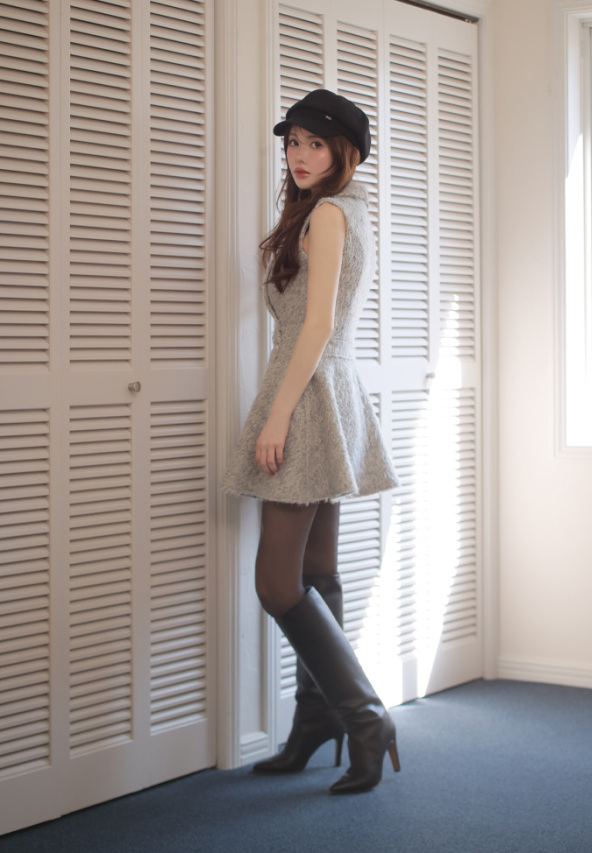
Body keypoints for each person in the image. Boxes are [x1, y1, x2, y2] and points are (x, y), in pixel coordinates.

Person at [222, 89, 400, 794]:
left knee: (276, 584)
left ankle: (366, 717)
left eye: (314, 144)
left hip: (306, 395)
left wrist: (277, 417)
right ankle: (319, 718)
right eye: (292, 141)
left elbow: (317, 325)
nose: (298, 154)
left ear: (343, 153)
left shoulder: (328, 214)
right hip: (332, 394)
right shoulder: (347, 208)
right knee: (318, 572)